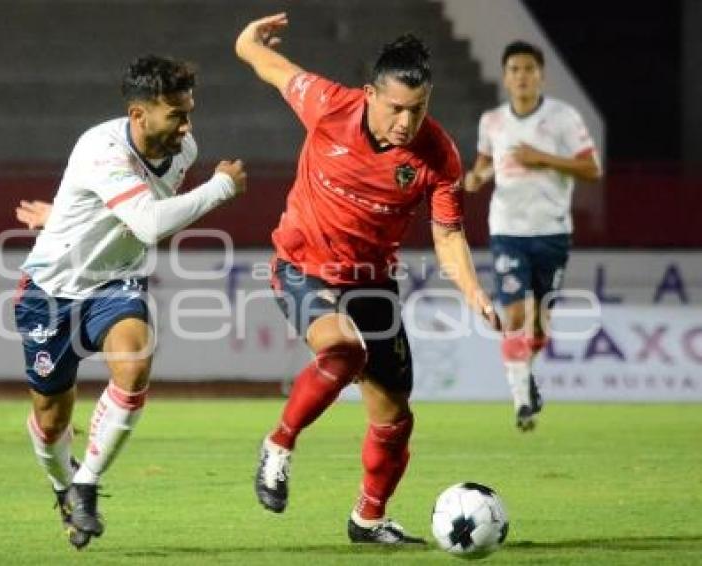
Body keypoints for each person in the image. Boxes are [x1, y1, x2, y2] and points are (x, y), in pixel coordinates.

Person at [235, 14, 499, 544]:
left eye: (418, 109)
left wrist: (472, 289)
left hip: (372, 282)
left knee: (394, 417)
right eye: (396, 107)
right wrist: (249, 39)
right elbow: (265, 62)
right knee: (342, 351)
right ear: (369, 95)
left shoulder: (438, 156)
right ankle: (279, 445)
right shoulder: (328, 104)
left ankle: (368, 520)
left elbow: (448, 235)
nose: (406, 122)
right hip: (302, 266)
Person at [13, 55, 246, 549]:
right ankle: (63, 486)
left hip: (116, 280)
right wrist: (221, 187)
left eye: (189, 112)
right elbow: (150, 222)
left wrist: (65, 215)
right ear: (139, 115)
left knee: (134, 362)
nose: (187, 127)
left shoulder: (182, 149)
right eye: (176, 115)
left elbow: (140, 214)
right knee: (52, 415)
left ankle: (87, 480)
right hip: (51, 289)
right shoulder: (101, 147)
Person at [463, 41, 602, 431]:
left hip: (553, 230)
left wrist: (543, 158)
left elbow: (592, 169)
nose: (521, 76)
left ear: (541, 74)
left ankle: (528, 376)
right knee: (516, 313)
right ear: (505, 77)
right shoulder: (492, 121)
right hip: (508, 229)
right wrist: (476, 178)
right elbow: (485, 164)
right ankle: (522, 399)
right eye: (514, 69)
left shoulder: (563, 117)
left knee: (540, 324)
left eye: (528, 69)